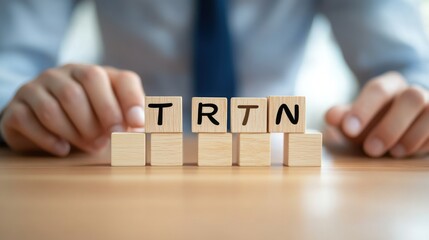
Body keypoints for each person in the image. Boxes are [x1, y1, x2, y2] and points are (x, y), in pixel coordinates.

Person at [0, 0, 428, 158]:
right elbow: (9, 61)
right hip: (117, 155)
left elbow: (410, 66)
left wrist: (415, 102)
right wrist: (15, 105)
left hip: (271, 165)